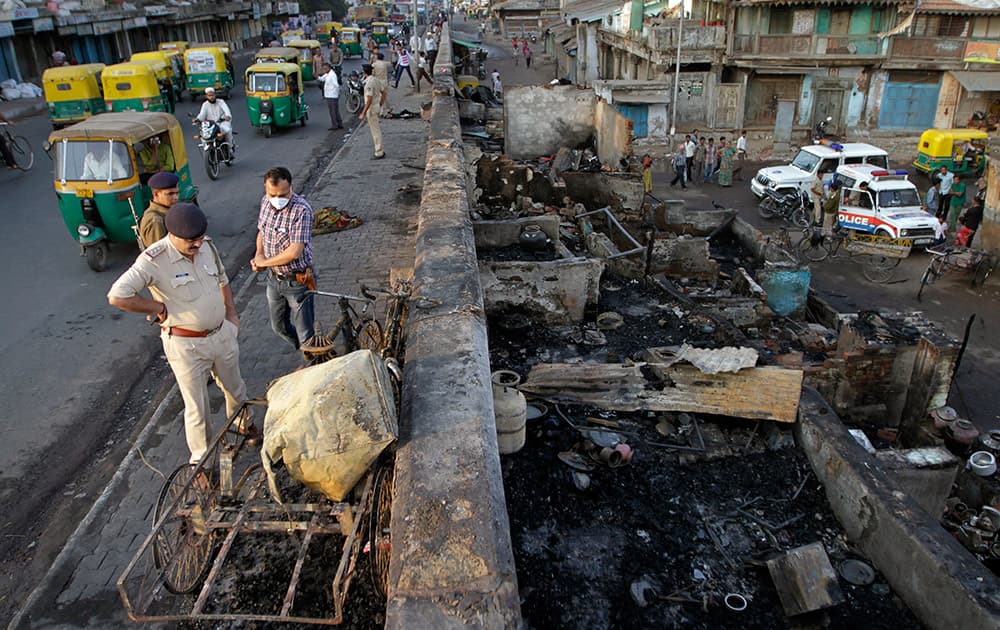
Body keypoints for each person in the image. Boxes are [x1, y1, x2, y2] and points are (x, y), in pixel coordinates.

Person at [108, 203, 256, 466]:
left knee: (236, 389)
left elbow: (222, 280)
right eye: (191, 241)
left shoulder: (207, 246)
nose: (197, 245)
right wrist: (156, 307)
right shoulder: (153, 260)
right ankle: (202, 465)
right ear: (172, 234)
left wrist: (232, 315)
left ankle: (243, 427)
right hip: (186, 345)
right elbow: (117, 296)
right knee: (197, 409)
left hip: (221, 335)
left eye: (199, 239)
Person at [251, 167, 317, 352]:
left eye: (283, 194)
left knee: (306, 334)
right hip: (274, 280)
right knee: (278, 327)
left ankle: (309, 362)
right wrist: (258, 255)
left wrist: (264, 263)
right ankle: (306, 351)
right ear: (266, 190)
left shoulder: (301, 211)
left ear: (291, 188)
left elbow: (294, 252)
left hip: (298, 282)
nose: (277, 199)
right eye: (272, 194)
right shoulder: (265, 202)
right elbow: (262, 233)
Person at [138, 171, 180, 248]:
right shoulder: (156, 221)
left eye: (177, 193)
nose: (176, 197)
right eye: (170, 194)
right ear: (156, 194)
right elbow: (159, 254)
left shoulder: (168, 210)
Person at [359, 63, 386, 159]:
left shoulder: (369, 83)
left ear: (364, 72)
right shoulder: (376, 80)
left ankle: (379, 152)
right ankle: (379, 150)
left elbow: (369, 99)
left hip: (372, 109)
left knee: (375, 131)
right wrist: (381, 103)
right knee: (376, 129)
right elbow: (384, 92)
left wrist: (363, 112)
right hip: (376, 106)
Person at [318, 63, 343, 130]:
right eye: (323, 69)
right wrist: (317, 77)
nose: (324, 70)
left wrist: (338, 93)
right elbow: (322, 79)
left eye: (325, 68)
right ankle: (339, 123)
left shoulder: (332, 75)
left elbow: (336, 85)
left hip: (332, 95)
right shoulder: (327, 74)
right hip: (329, 95)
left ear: (329, 68)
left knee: (333, 111)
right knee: (335, 110)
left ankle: (335, 125)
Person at [373, 52, 392, 116]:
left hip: (378, 81)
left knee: (379, 97)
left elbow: (372, 73)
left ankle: (380, 111)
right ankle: (388, 108)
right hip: (384, 81)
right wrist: (390, 55)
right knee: (385, 96)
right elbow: (390, 63)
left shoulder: (374, 65)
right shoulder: (385, 63)